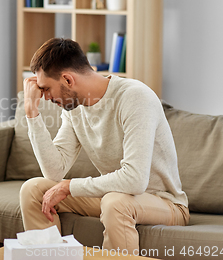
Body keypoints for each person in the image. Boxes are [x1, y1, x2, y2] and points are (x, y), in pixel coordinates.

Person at [20, 37, 189, 254]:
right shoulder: (75, 109)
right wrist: (31, 113)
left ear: (68, 80)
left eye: (46, 89)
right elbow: (54, 171)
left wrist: (69, 186)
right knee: (33, 190)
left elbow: (135, 180)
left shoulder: (134, 97)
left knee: (114, 202)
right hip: (116, 195)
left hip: (165, 203)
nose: (44, 97)